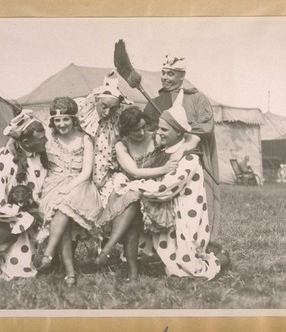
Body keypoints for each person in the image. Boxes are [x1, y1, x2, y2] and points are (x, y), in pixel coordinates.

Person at [119, 90, 226, 279]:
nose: (157, 133)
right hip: (170, 214)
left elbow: (165, 189)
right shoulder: (167, 151)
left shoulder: (188, 158)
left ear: (178, 132)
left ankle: (221, 259)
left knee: (188, 270)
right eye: (159, 128)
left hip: (186, 218)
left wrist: (132, 186)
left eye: (164, 130)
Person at [143, 55, 221, 244]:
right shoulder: (156, 101)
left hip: (194, 158)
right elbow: (147, 129)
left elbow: (206, 126)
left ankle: (200, 242)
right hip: (163, 159)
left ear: (182, 76)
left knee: (193, 201)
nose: (165, 77)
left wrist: (184, 137)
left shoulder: (196, 98)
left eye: (171, 74)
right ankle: (162, 244)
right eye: (163, 73)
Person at [94, 106, 178, 280]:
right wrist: (163, 168)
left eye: (143, 127)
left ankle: (109, 250)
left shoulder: (155, 138)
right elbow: (134, 172)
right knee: (132, 204)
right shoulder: (121, 145)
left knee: (133, 201)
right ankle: (131, 270)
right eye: (135, 130)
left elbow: (187, 139)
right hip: (132, 186)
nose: (141, 132)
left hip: (153, 188)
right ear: (125, 131)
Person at [0, 110, 48, 280]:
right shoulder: (1, 161)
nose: (46, 142)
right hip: (7, 218)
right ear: (25, 142)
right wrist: (23, 216)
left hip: (32, 215)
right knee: (16, 273)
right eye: (41, 140)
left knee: (25, 258)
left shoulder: (38, 157)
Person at [37, 97, 102, 286]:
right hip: (54, 184)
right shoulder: (50, 140)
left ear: (74, 120)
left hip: (80, 185)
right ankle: (70, 273)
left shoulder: (85, 139)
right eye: (57, 120)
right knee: (61, 212)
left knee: (64, 205)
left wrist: (69, 187)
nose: (62, 124)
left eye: (66, 119)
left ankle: (48, 254)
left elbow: (86, 172)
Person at [75, 70, 131, 207]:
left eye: (113, 109)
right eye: (104, 107)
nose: (107, 113)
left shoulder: (117, 119)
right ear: (96, 100)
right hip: (81, 174)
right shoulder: (82, 112)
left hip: (106, 174)